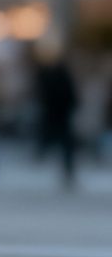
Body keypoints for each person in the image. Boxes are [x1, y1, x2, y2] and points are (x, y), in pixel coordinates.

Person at [34, 50, 79, 191]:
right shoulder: (60, 75)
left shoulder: (50, 76)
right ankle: (64, 169)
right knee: (64, 144)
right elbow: (71, 96)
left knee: (61, 143)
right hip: (60, 115)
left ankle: (42, 155)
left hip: (56, 115)